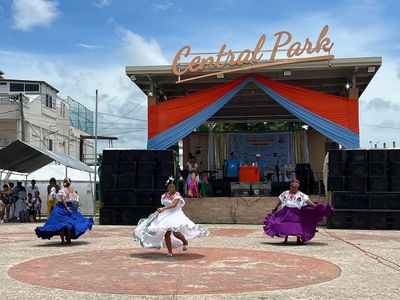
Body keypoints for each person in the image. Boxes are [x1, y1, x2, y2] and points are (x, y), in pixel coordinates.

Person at [133, 178, 209, 256]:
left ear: (175, 188)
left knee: (176, 232)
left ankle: (185, 241)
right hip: (167, 215)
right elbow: (167, 205)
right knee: (167, 233)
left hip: (176, 214)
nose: (171, 188)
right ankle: (170, 252)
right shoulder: (164, 195)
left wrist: (163, 208)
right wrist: (162, 210)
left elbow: (174, 205)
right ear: (167, 188)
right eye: (170, 187)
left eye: (173, 187)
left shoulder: (177, 195)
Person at [263, 179, 333, 245]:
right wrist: (276, 207)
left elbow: (307, 201)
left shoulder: (301, 195)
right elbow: (280, 200)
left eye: (295, 187)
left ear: (297, 187)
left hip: (295, 212)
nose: (294, 189)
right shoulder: (285, 193)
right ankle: (285, 239)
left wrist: (313, 205)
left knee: (297, 226)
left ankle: (298, 240)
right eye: (292, 187)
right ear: (290, 187)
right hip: (286, 211)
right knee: (284, 224)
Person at [35, 178, 93, 245]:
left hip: (60, 207)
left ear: (64, 183)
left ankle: (63, 240)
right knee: (69, 225)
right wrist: (74, 208)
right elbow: (77, 199)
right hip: (70, 207)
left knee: (60, 224)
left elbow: (62, 199)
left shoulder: (61, 190)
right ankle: (68, 240)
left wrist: (66, 207)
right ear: (69, 183)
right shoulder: (72, 191)